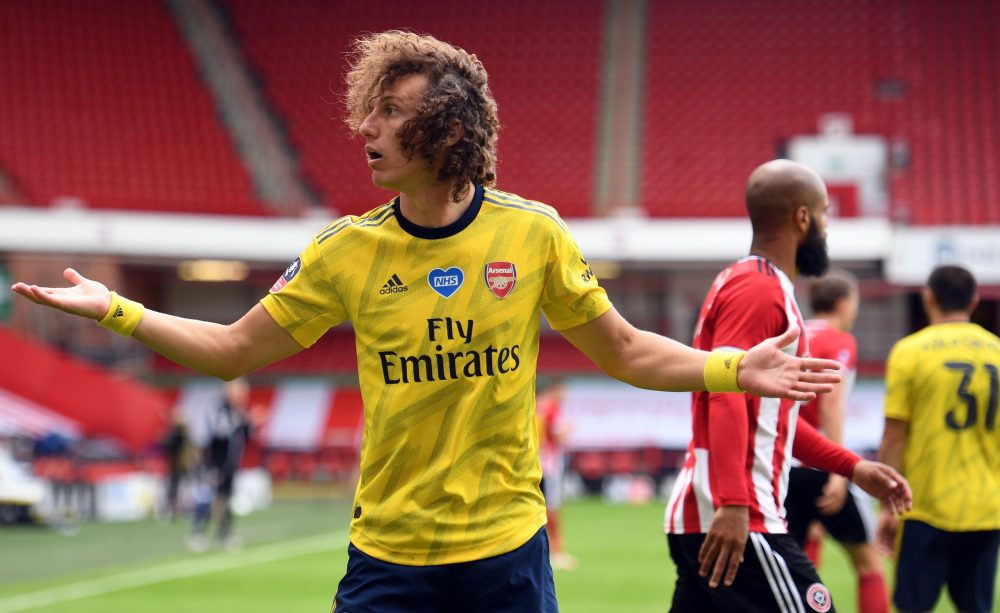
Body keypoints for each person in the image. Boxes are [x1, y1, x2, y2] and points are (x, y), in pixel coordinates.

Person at [12, 31, 845, 612]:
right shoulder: (344, 252)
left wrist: (733, 367)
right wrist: (121, 310)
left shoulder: (532, 233)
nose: (364, 128)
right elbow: (232, 351)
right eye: (367, 111)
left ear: (445, 127)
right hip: (388, 554)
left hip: (505, 553)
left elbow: (624, 348)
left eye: (389, 112)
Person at [664, 159, 912, 613]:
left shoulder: (755, 283)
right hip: (741, 517)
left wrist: (853, 467)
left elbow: (773, 424)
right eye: (825, 214)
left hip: (715, 514)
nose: (827, 226)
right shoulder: (758, 289)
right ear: (803, 218)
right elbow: (727, 392)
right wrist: (735, 503)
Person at [877, 265, 1000, 613]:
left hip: (925, 505)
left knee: (913, 607)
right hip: (987, 507)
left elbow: (894, 437)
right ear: (975, 300)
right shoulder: (997, 350)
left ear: (928, 298)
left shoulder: (910, 352)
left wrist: (888, 505)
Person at [784, 271, 889, 613]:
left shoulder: (794, 335)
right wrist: (839, 469)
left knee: (795, 562)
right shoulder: (839, 340)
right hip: (820, 461)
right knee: (869, 562)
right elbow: (831, 404)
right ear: (844, 303)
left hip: (785, 465)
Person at [188, 378, 252, 551]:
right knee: (210, 498)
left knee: (226, 500)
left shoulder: (238, 412)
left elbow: (246, 436)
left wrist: (248, 423)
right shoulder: (217, 409)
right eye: (239, 393)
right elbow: (218, 433)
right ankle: (198, 533)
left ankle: (224, 534)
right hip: (215, 462)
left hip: (231, 463)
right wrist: (240, 419)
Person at [536, 381, 576, 571]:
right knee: (552, 509)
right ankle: (557, 552)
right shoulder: (550, 409)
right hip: (548, 466)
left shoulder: (535, 406)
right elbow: (558, 435)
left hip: (535, 464)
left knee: (540, 508)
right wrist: (568, 429)